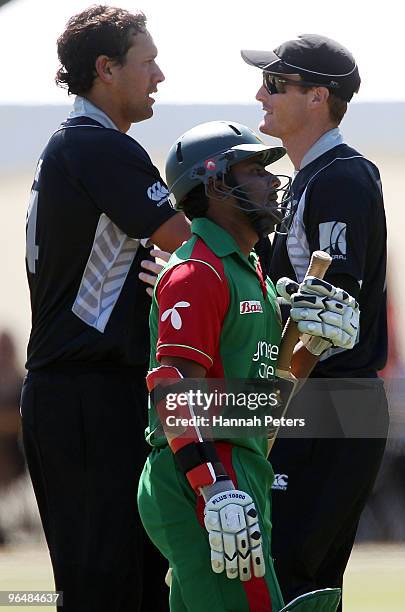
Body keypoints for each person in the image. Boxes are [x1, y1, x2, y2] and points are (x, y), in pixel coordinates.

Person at [137, 120, 359, 612]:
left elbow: (266, 400)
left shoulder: (249, 268)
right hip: (202, 473)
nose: (271, 180)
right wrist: (215, 489)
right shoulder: (197, 271)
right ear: (216, 183)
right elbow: (173, 393)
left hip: (240, 468)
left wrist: (312, 348)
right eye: (255, 168)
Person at [21, 6, 190, 612]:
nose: (160, 76)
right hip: (88, 394)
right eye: (147, 63)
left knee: (133, 581)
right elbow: (188, 241)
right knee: (107, 588)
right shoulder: (98, 147)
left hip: (82, 394)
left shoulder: (75, 144)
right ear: (105, 69)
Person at [241, 34, 388, 608]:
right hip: (316, 401)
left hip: (331, 401)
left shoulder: (340, 177)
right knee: (295, 582)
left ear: (317, 97)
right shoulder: (312, 177)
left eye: (276, 85)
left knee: (286, 578)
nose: (261, 94)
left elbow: (330, 319)